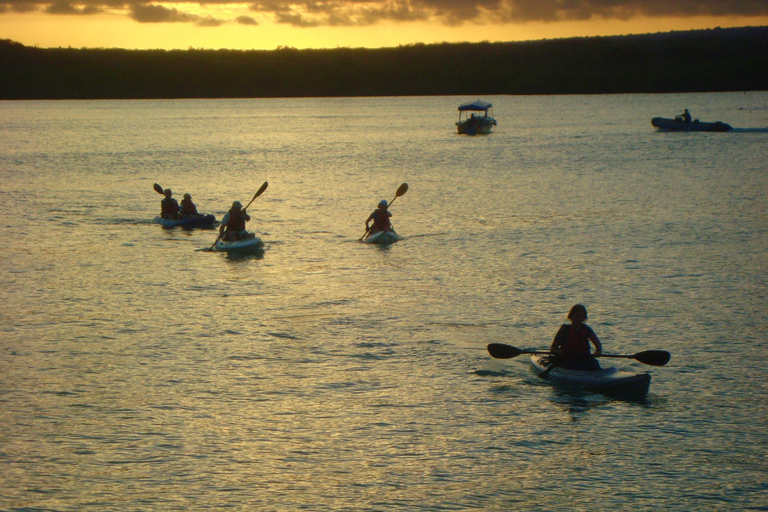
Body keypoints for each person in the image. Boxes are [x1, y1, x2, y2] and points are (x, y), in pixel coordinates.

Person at [549, 304, 603, 371]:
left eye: (581, 317)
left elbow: (598, 344)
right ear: (571, 316)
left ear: (584, 319)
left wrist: (598, 350)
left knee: (594, 364)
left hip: (585, 360)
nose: (578, 319)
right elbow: (553, 348)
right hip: (567, 360)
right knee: (576, 366)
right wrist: (557, 352)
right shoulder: (564, 330)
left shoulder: (587, 329)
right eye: (576, 316)